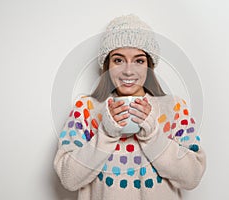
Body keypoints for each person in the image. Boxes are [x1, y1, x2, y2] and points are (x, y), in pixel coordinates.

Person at [54, 14, 206, 200]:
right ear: (107, 65)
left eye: (139, 60)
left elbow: (192, 177)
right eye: (118, 60)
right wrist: (106, 134)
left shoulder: (174, 108)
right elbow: (68, 178)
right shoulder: (86, 109)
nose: (128, 70)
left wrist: (152, 136)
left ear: (149, 65)